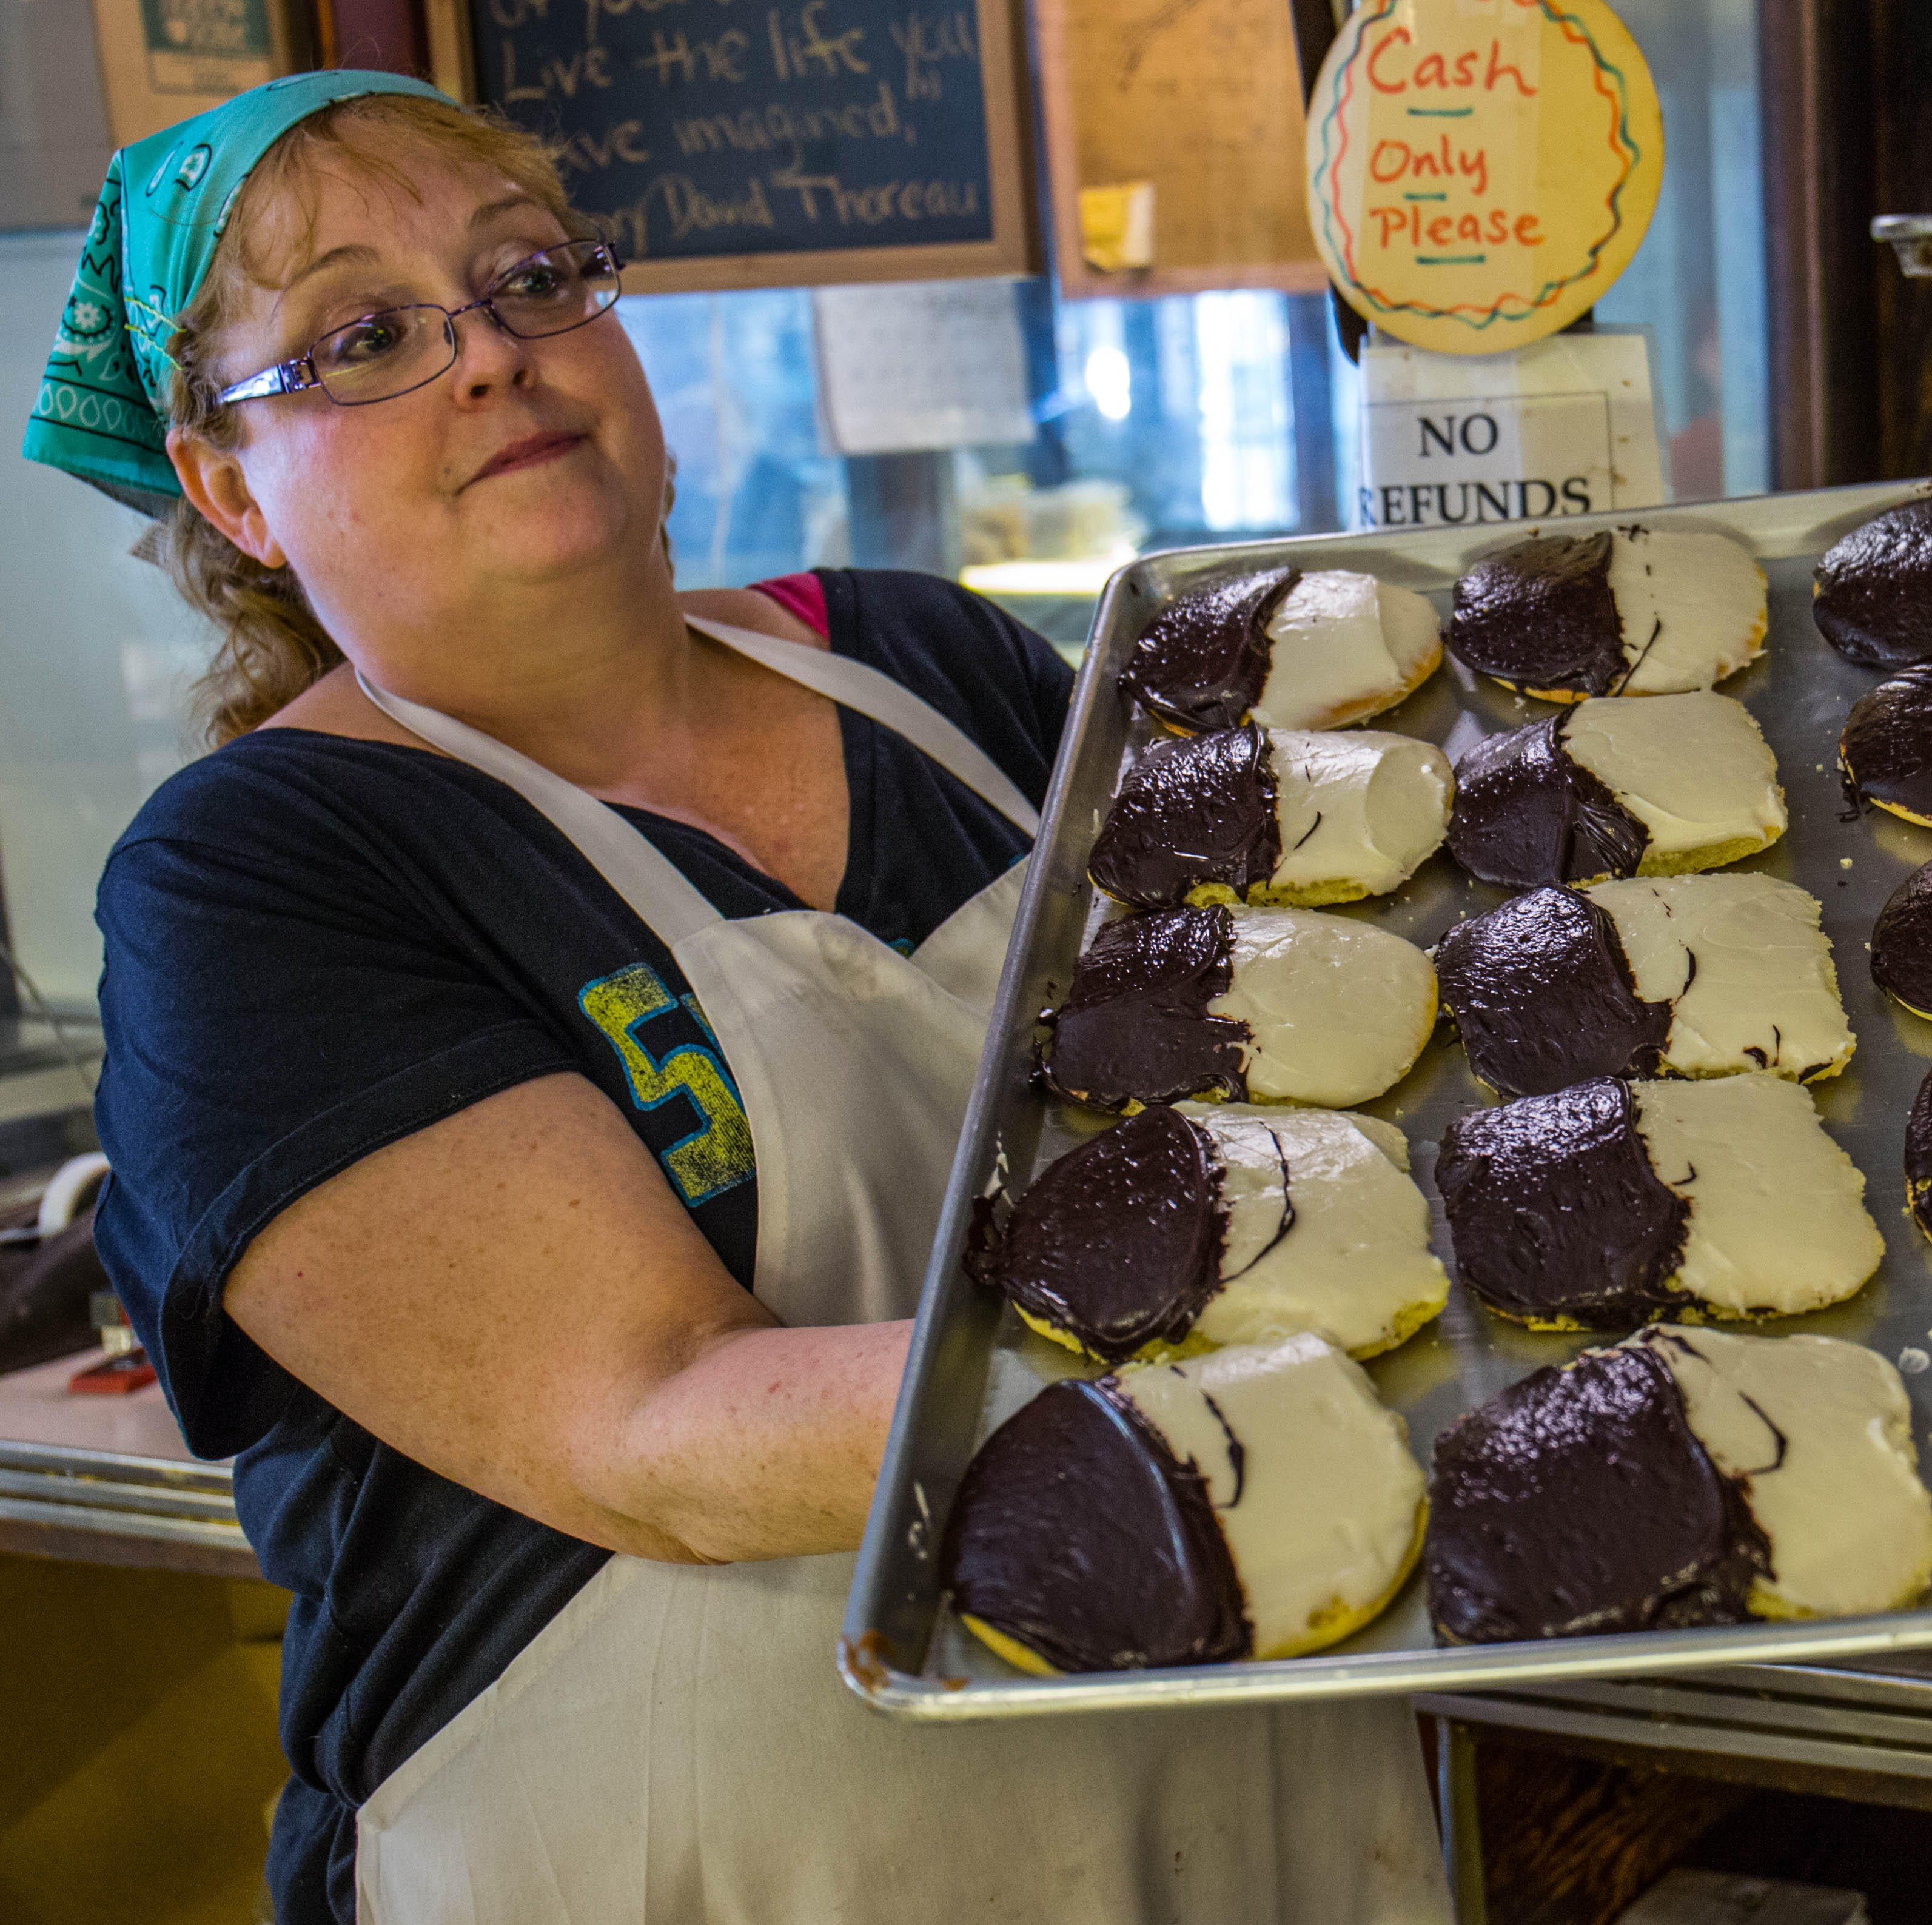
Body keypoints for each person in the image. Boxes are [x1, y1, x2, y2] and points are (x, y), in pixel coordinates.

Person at [26, 72, 1449, 1924]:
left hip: (1228, 1748)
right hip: (703, 1853)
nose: (491, 357)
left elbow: (1276, 1048)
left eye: (531, 277)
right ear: (231, 488)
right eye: (363, 336)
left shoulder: (927, 659)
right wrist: (1369, 1341)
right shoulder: (261, 879)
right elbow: (657, 1427)